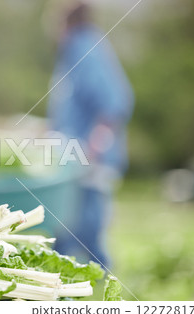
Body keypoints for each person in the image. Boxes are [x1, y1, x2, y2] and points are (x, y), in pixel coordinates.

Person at [47, 2, 134, 266]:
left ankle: (102, 286)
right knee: (69, 229)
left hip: (87, 159)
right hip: (74, 157)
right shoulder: (75, 51)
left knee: (86, 230)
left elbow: (113, 103)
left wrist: (92, 151)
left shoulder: (86, 49)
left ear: (64, 23)